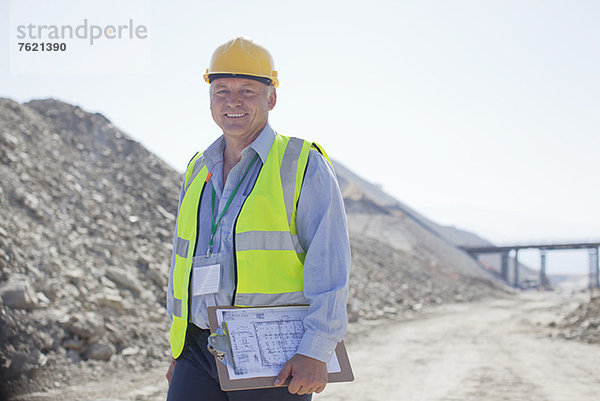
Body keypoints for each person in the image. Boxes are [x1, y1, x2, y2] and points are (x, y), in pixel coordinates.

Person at [165, 37, 351, 401]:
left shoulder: (302, 164)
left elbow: (329, 264)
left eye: (248, 90)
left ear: (271, 98)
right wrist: (180, 351)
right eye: (221, 91)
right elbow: (182, 264)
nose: (233, 101)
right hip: (199, 350)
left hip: (272, 356)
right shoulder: (197, 169)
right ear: (210, 99)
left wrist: (317, 349)